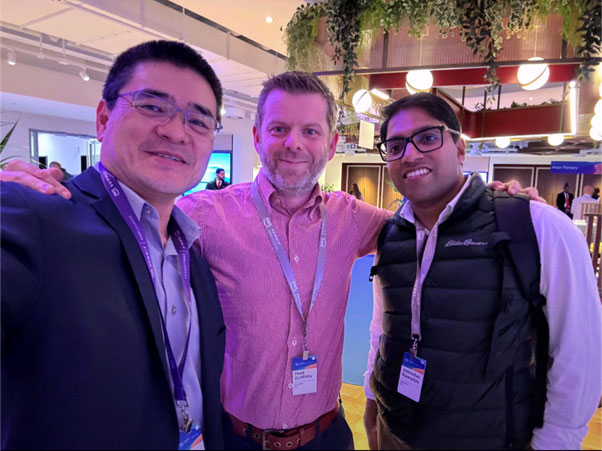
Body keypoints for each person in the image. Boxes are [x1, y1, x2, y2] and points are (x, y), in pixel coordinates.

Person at [2, 72, 539, 451]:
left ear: (332, 143)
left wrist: (491, 200)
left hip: (327, 437)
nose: (293, 145)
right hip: (236, 438)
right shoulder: (204, 215)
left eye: (310, 131)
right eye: (279, 129)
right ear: (258, 137)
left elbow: (428, 220)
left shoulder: (355, 219)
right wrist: (44, 186)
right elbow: (122, 210)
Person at [1, 40, 226, 450]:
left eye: (198, 121)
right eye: (153, 106)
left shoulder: (192, 253)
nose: (175, 131)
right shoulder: (35, 215)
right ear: (104, 119)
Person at [363, 93, 602, 450]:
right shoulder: (391, 235)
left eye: (427, 138)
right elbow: (383, 326)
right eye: (395, 146)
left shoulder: (536, 225)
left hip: (492, 438)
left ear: (460, 148)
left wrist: (555, 442)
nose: (410, 155)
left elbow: (579, 351)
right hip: (395, 430)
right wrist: (372, 400)